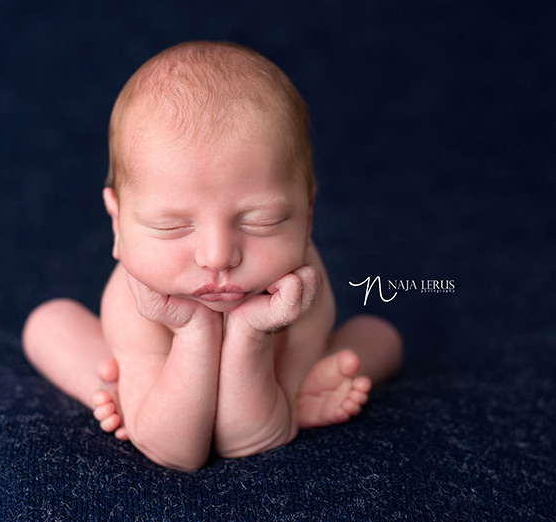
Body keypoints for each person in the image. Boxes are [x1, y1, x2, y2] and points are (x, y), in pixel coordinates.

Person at [22, 41, 403, 471]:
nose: (217, 256)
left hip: (267, 384)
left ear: (307, 215)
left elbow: (246, 438)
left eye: (261, 221)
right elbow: (178, 451)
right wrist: (192, 332)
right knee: (49, 323)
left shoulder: (300, 291)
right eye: (172, 226)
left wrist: (252, 331)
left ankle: (291, 391)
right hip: (156, 366)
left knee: (380, 336)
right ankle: (124, 388)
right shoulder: (136, 300)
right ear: (117, 223)